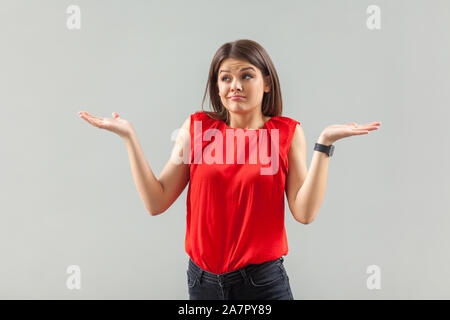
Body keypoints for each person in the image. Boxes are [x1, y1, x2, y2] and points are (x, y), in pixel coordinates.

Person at [78, 39, 381, 300]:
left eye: (246, 75)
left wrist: (325, 144)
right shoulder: (198, 127)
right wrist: (129, 136)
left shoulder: (285, 133)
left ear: (266, 83)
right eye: (225, 78)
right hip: (201, 282)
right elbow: (156, 201)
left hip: (261, 284)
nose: (235, 85)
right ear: (217, 86)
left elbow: (304, 213)